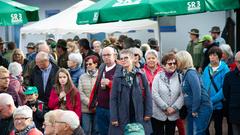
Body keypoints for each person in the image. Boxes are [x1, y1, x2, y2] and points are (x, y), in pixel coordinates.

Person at [109, 49, 152, 135]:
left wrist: (148, 113)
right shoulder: (117, 77)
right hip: (122, 114)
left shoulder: (140, 75)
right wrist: (114, 117)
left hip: (139, 113)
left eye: (126, 58)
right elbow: (113, 98)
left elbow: (148, 95)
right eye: (121, 59)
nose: (123, 60)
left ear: (132, 59)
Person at [176, 50, 212, 135]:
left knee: (198, 132)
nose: (175, 63)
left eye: (177, 60)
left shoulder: (191, 73)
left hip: (201, 107)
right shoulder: (185, 74)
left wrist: (195, 109)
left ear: (183, 60)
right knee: (191, 132)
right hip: (192, 109)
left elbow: (197, 92)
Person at [89, 46, 121, 135]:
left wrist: (110, 83)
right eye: (104, 55)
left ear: (114, 56)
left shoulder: (120, 69)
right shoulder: (102, 67)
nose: (106, 57)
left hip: (113, 109)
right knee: (102, 132)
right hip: (100, 107)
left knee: (114, 132)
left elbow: (122, 88)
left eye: (108, 55)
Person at [151, 53, 183, 135]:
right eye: (170, 63)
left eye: (174, 63)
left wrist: (173, 108)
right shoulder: (157, 77)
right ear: (164, 66)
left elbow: (182, 95)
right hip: (158, 113)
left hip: (173, 114)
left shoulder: (180, 77)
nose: (172, 65)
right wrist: (165, 107)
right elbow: (154, 94)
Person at [202, 46, 229, 135]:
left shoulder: (225, 69)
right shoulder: (207, 68)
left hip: (218, 105)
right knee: (204, 126)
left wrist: (211, 100)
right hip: (206, 104)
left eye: (214, 55)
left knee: (218, 127)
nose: (211, 57)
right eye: (210, 55)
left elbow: (224, 89)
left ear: (220, 56)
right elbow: (202, 84)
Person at [78, 55, 99, 135]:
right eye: (86, 64)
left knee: (96, 131)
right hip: (85, 109)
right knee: (86, 130)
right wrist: (90, 103)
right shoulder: (82, 77)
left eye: (90, 64)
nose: (88, 66)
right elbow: (80, 92)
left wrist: (95, 104)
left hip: (97, 108)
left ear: (95, 64)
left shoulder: (100, 76)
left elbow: (101, 92)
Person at [223, 51, 240, 135]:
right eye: (239, 61)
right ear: (235, 62)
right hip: (235, 113)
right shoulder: (229, 76)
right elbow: (226, 94)